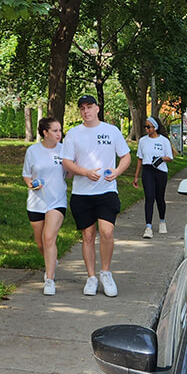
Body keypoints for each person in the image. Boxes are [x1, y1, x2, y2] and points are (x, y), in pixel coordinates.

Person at [61, 95, 131, 297]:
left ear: (97, 108)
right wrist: (84, 172)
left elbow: (125, 156)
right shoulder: (74, 134)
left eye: (89, 107)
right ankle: (91, 277)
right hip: (82, 193)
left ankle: (106, 273)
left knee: (107, 232)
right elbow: (66, 162)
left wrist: (117, 172)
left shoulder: (111, 131)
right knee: (88, 235)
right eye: (82, 108)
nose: (86, 111)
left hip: (107, 191)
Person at [21, 117, 67, 296]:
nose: (59, 134)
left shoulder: (64, 150)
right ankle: (51, 261)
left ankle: (49, 279)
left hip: (57, 201)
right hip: (36, 202)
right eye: (55, 131)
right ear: (45, 133)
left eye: (60, 130)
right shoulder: (32, 151)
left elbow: (70, 173)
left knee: (49, 238)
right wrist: (31, 184)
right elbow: (26, 174)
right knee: (40, 243)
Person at [132, 116, 174, 238]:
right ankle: (148, 227)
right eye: (145, 127)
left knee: (159, 198)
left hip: (160, 170)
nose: (146, 129)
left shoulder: (164, 141)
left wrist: (161, 158)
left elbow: (170, 157)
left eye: (148, 127)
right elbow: (140, 159)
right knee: (149, 198)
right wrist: (136, 176)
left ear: (155, 128)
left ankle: (162, 221)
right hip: (147, 170)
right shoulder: (143, 141)